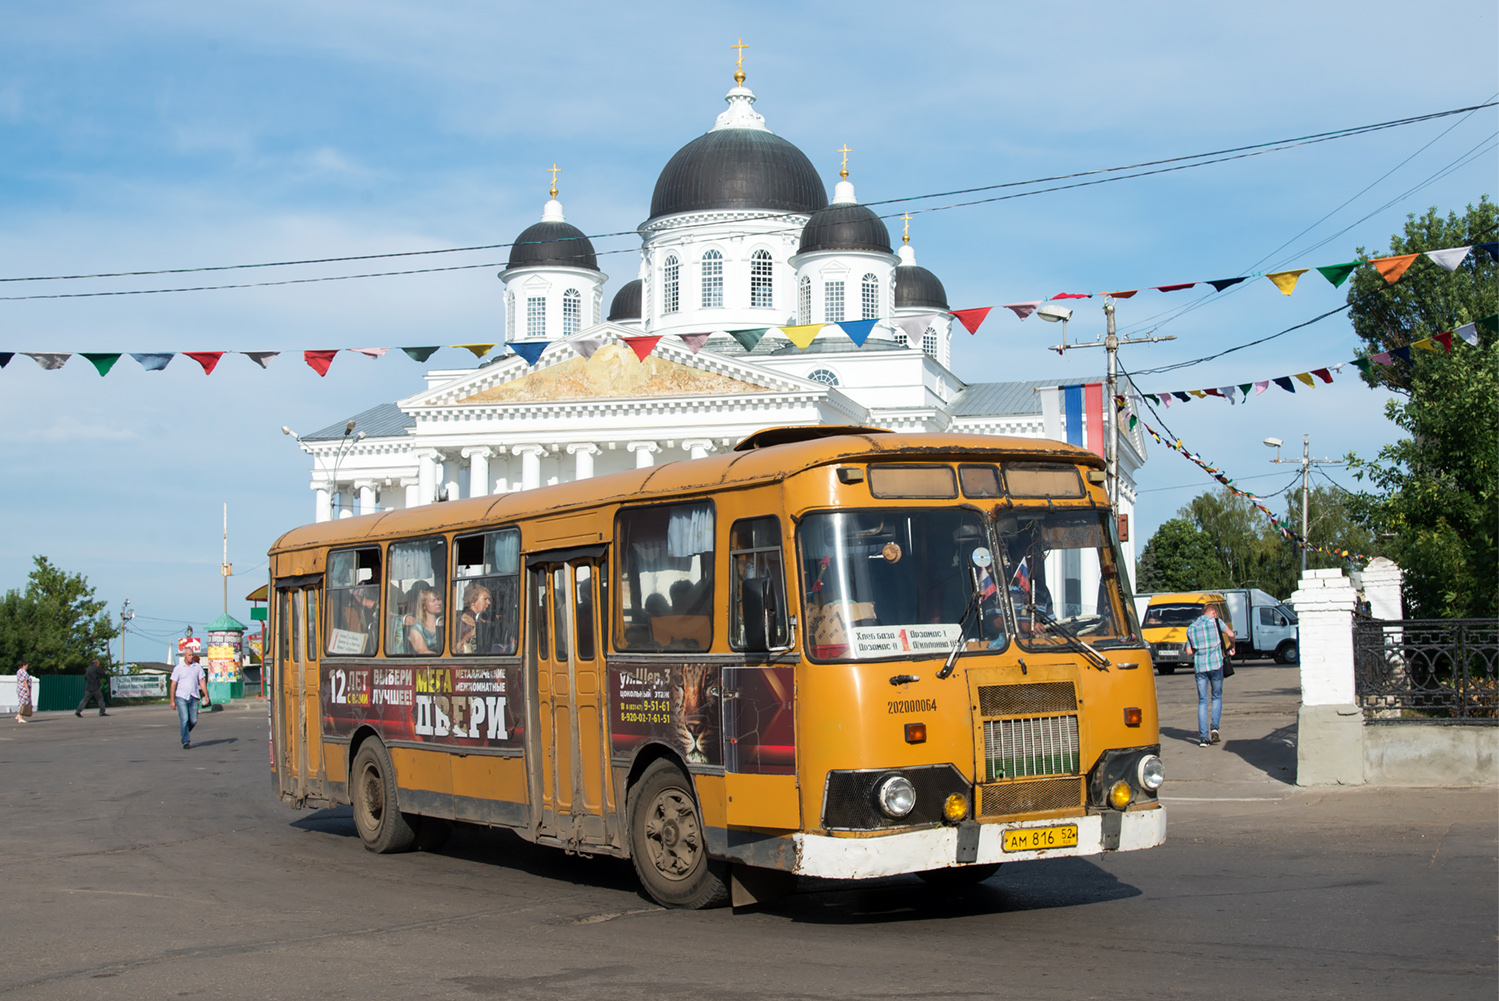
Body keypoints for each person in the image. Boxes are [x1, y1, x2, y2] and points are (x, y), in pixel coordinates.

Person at [1184, 605, 1234, 747]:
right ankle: (1214, 728)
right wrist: (1232, 647)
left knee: (1202, 701)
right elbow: (1230, 635)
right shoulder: (1217, 622)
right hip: (1216, 665)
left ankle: (1203, 738)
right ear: (1213, 612)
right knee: (1216, 696)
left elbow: (1188, 651)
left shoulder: (1192, 627)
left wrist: (1200, 648)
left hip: (1200, 668)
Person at [169, 652, 207, 749]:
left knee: (193, 720)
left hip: (194, 696)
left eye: (192, 655)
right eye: (189, 655)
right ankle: (186, 741)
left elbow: (202, 681)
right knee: (184, 719)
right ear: (184, 656)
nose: (191, 657)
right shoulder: (178, 668)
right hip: (181, 696)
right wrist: (172, 700)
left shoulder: (197, 667)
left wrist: (206, 695)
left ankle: (184, 733)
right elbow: (173, 684)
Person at [407, 585, 444, 656]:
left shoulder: (445, 624)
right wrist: (442, 657)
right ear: (424, 606)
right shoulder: (417, 628)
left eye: (439, 599)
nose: (438, 603)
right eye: (433, 601)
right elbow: (422, 650)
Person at [456, 582, 492, 654]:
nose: (489, 602)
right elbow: (456, 648)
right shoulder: (458, 622)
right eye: (485, 599)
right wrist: (471, 635)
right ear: (472, 601)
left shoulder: (484, 622)